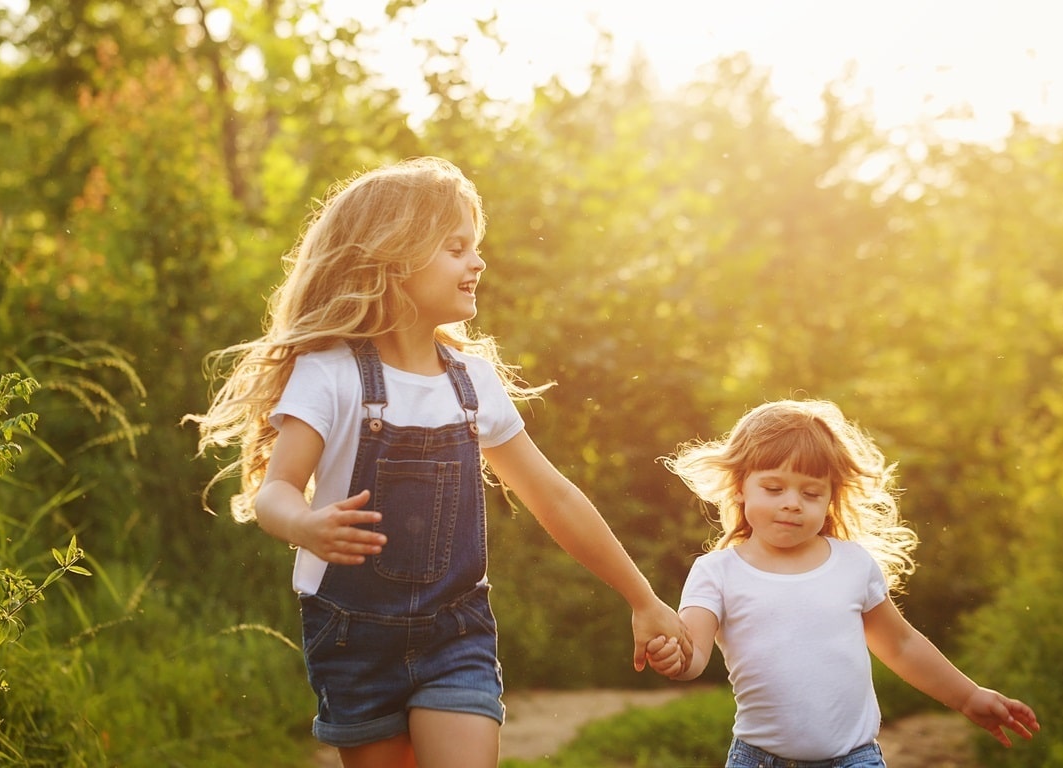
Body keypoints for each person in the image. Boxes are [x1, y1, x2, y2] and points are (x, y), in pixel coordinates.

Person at [187, 156, 690, 768]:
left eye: (474, 246)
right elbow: (277, 490)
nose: (477, 262)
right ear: (394, 258)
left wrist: (642, 598)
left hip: (456, 629)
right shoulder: (331, 375)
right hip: (353, 632)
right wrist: (303, 525)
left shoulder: (473, 385)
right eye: (455, 247)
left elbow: (553, 497)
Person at [644, 399, 1039, 767]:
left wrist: (968, 696)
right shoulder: (717, 572)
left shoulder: (851, 564)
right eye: (774, 488)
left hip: (855, 759)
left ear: (830, 499)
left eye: (811, 492)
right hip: (758, 760)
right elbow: (693, 654)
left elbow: (901, 644)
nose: (792, 502)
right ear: (739, 487)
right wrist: (675, 659)